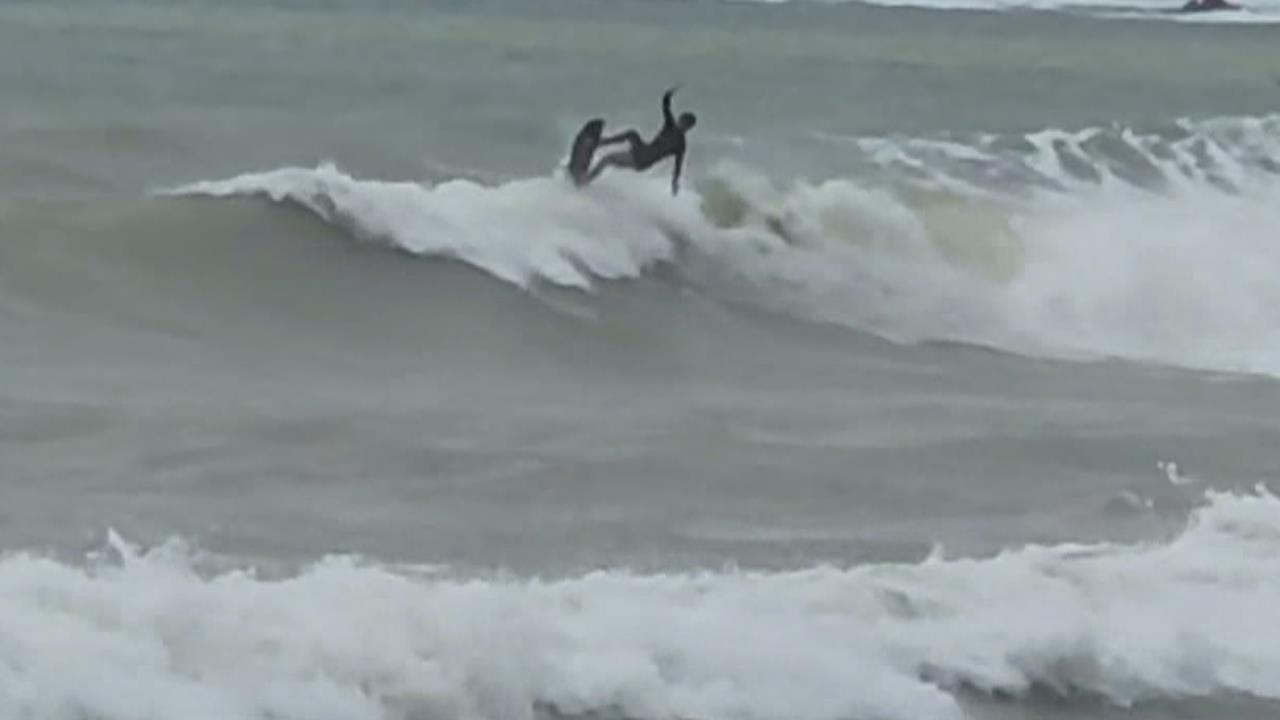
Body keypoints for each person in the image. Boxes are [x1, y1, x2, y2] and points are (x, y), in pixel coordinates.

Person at [586, 87, 697, 196]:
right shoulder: (672, 129)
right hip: (642, 151)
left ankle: (586, 179)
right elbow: (665, 106)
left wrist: (674, 183)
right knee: (631, 134)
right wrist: (668, 94)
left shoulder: (680, 144)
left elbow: (678, 166)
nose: (680, 123)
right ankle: (600, 143)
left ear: (687, 127)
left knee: (608, 159)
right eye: (681, 121)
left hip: (642, 160)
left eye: (683, 123)